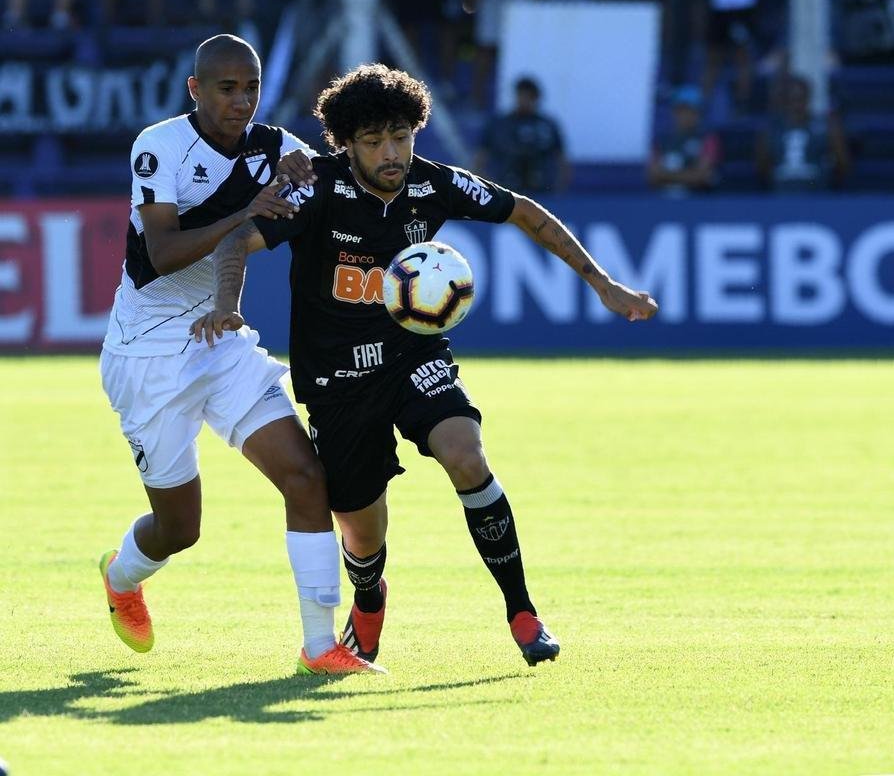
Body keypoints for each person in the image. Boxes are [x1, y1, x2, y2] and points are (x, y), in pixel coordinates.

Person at [190, 63, 658, 667]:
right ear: (346, 143)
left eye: (401, 137)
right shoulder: (316, 189)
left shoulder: (433, 184)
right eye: (373, 141)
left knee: (467, 456)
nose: (391, 153)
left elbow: (524, 211)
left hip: (414, 355)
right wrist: (227, 304)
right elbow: (237, 241)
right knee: (362, 529)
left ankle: (523, 612)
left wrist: (603, 283)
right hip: (337, 380)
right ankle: (368, 598)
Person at [98, 34, 379, 676]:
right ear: (195, 89)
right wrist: (247, 210)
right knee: (180, 529)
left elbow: (337, 177)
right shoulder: (159, 146)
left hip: (220, 342)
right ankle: (120, 577)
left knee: (305, 479)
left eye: (251, 88)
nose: (242, 101)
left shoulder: (277, 147)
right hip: (148, 355)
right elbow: (163, 253)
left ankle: (319, 648)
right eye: (227, 88)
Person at [754, 73, 851, 192]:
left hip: (817, 194)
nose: (797, 105)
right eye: (792, 99)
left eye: (801, 99)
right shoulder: (771, 129)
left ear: (808, 98)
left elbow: (843, 164)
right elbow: (762, 168)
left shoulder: (824, 127)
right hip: (781, 194)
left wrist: (826, 179)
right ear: (785, 101)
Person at [474, 75, 570, 194]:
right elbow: (479, 161)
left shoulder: (547, 126)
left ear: (536, 98)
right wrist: (493, 191)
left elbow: (562, 161)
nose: (524, 100)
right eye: (521, 95)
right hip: (508, 191)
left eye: (529, 97)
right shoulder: (499, 125)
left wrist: (558, 191)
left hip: (541, 192)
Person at [647, 85, 721, 195]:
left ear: (699, 114)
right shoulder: (661, 140)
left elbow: (702, 175)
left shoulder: (708, 139)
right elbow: (652, 176)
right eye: (682, 110)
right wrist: (690, 175)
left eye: (692, 111)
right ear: (674, 112)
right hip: (662, 200)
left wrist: (665, 175)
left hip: (698, 200)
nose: (687, 115)